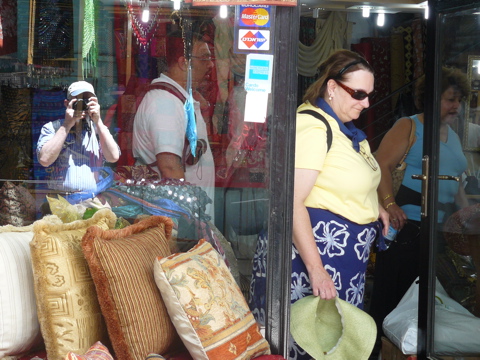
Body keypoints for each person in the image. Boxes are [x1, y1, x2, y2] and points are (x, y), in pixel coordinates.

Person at [290, 50, 388, 359]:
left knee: (335, 342)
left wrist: (376, 208)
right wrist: (317, 270)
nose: (366, 103)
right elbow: (291, 202)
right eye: (359, 94)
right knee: (315, 341)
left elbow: (351, 180)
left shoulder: (346, 131)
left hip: (345, 259)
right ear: (332, 88)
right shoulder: (313, 126)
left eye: (370, 95)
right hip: (319, 255)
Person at [370, 67, 470, 342]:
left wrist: (468, 219)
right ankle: (379, 351)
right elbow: (380, 164)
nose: (457, 106)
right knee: (395, 299)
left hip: (440, 231)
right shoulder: (409, 126)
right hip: (408, 226)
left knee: (430, 304)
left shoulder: (454, 136)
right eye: (451, 99)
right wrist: (390, 205)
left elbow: (456, 184)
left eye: (459, 100)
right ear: (431, 99)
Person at [132, 31, 215, 220]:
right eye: (204, 58)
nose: (210, 65)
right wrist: (188, 220)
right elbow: (169, 168)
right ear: (184, 63)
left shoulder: (177, 99)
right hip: (182, 220)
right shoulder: (165, 103)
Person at [37, 81, 120, 202]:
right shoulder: (52, 128)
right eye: (78, 101)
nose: (83, 105)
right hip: (60, 201)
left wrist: (98, 121)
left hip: (93, 200)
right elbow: (44, 160)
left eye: (87, 100)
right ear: (67, 103)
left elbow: (113, 157)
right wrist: (67, 125)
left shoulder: (99, 130)